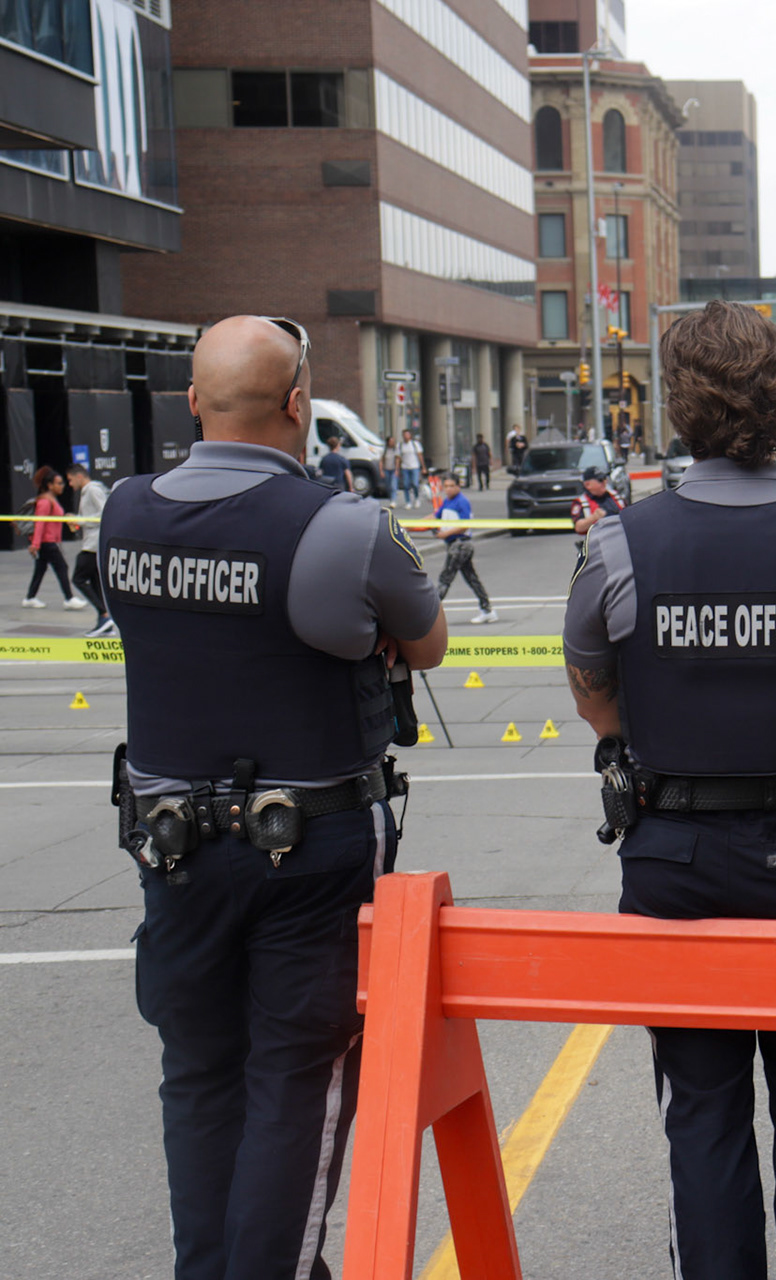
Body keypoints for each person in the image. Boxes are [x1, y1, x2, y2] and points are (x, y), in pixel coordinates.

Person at [103, 314, 447, 1280]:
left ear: (191, 403)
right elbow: (425, 641)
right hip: (310, 844)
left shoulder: (124, 510)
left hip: (172, 844)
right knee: (297, 1076)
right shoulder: (341, 524)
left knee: (197, 1073)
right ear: (299, 404)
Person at [563, 299, 776, 1280]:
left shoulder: (619, 545)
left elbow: (592, 689)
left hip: (674, 859)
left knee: (701, 1109)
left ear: (678, 404)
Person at [434, 475, 498, 623]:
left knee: (446, 577)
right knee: (471, 578)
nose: (448, 489)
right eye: (446, 486)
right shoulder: (447, 502)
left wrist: (445, 534)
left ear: (458, 486)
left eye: (451, 486)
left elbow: (465, 525)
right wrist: (412, 525)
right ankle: (487, 609)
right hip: (454, 544)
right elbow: (435, 516)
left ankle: (430, 612)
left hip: (460, 545)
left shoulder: (462, 502)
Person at [23, 466, 84, 611]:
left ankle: (30, 598)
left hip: (49, 541)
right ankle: (69, 598)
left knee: (40, 569)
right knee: (61, 567)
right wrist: (36, 544)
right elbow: (40, 523)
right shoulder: (45, 502)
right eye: (59, 483)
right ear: (50, 485)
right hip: (47, 542)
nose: (62, 486)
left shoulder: (51, 500)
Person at [65, 463, 113, 635]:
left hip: (93, 545)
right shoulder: (88, 491)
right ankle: (104, 622)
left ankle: (105, 614)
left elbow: (104, 512)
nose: (70, 484)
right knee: (94, 582)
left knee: (78, 578)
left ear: (79, 476)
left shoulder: (92, 490)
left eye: (70, 480)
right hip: (92, 542)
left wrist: (79, 520)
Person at [396, 428, 423, 508]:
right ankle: (408, 502)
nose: (406, 436)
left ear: (410, 435)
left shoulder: (415, 444)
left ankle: (416, 498)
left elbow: (420, 455)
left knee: (415, 484)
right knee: (406, 485)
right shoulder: (400, 445)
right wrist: (397, 469)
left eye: (407, 434)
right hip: (405, 467)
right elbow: (398, 458)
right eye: (404, 435)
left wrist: (423, 467)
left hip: (414, 466)